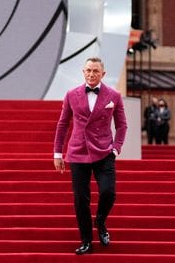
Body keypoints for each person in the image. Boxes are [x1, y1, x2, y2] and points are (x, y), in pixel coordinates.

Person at [53, 57, 127, 255]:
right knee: (80, 199)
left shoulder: (114, 96)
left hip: (104, 152)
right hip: (77, 151)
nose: (91, 74)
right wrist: (58, 153)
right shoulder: (71, 94)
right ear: (83, 72)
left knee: (108, 192)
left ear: (103, 74)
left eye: (95, 71)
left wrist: (116, 148)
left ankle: (100, 221)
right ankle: (86, 240)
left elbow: (122, 125)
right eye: (88, 70)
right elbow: (62, 124)